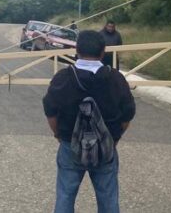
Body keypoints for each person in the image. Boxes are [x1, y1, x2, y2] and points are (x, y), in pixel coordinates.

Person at [43, 30, 136, 213]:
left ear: (77, 50)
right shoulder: (116, 79)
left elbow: (50, 111)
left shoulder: (63, 78)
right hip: (106, 147)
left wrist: (59, 135)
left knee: (65, 196)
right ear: (103, 52)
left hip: (71, 144)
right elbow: (127, 114)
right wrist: (114, 138)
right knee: (108, 198)